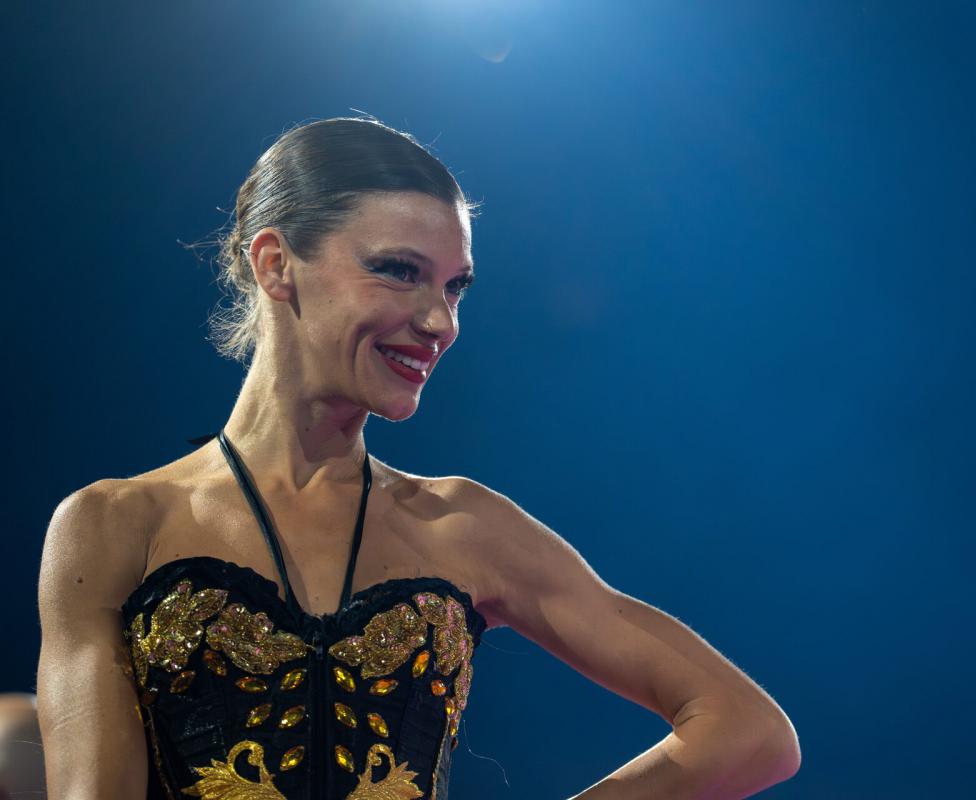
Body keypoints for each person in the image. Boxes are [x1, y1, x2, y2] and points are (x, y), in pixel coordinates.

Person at [36, 116, 801, 799]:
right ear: (275, 264)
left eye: (455, 287)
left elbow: (748, 730)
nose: (440, 321)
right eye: (399, 271)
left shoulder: (462, 526)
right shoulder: (114, 526)